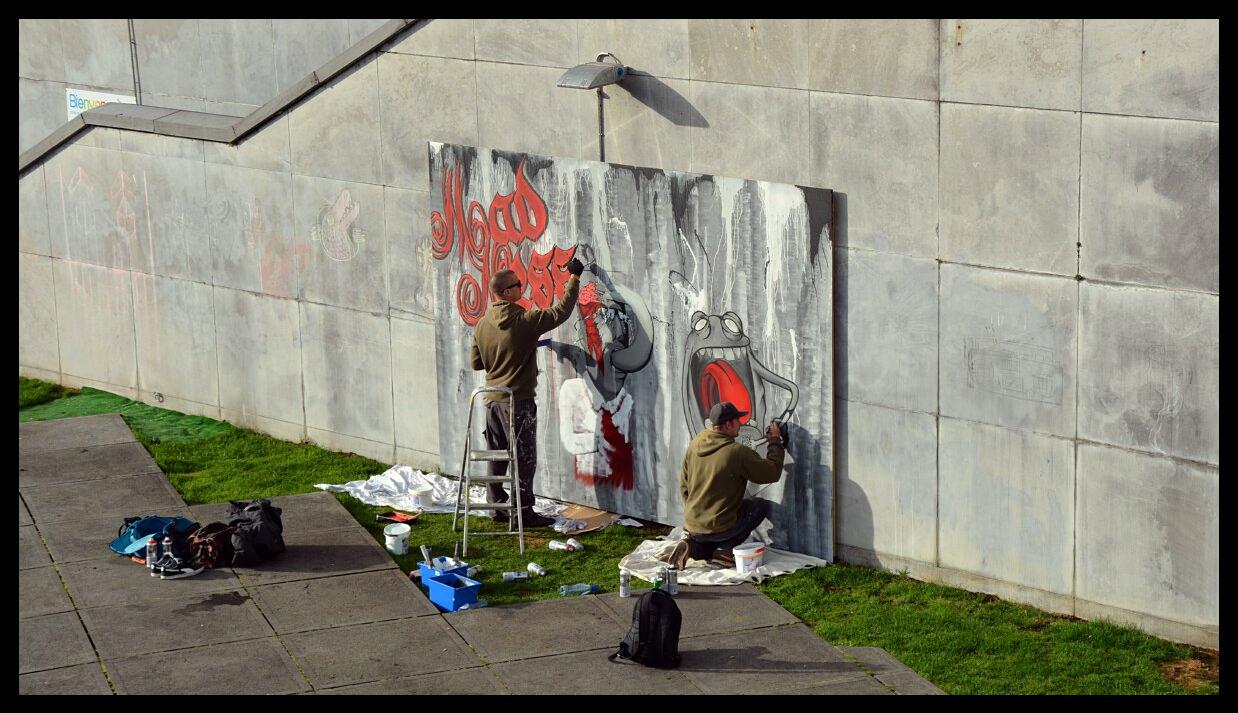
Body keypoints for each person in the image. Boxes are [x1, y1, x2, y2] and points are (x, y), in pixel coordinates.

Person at [470, 259, 584, 527]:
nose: (521, 286)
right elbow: (561, 312)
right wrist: (574, 277)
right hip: (517, 402)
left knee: (496, 455)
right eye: (517, 284)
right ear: (507, 293)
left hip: (491, 401)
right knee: (524, 458)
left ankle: (496, 507)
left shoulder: (483, 324)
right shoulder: (524, 320)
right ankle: (524, 513)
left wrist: (501, 355)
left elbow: (476, 363)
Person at [666, 401, 784, 568]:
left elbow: (684, 486)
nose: (741, 424)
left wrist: (698, 514)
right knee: (758, 506)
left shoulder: (696, 443)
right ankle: (726, 551)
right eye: (737, 421)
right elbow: (771, 472)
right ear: (728, 424)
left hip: (693, 526)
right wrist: (774, 442)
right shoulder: (736, 452)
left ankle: (692, 547)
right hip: (720, 528)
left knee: (709, 538)